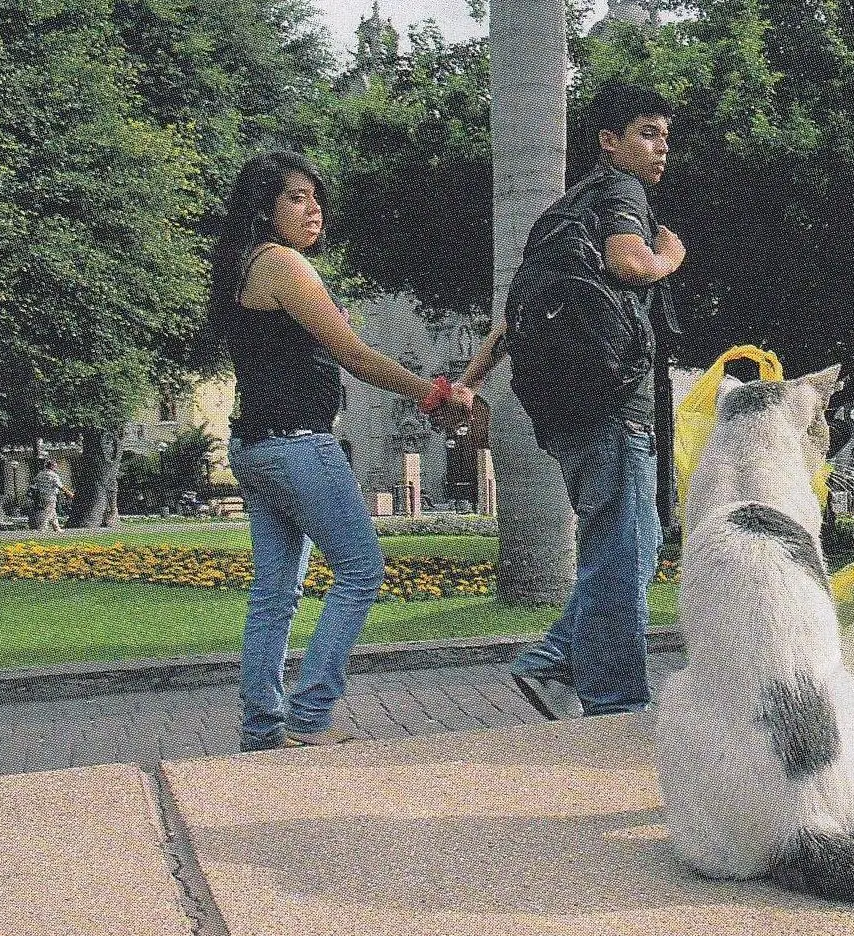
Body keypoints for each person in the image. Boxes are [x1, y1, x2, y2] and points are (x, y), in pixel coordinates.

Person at [208, 151, 468, 752]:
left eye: (316, 196)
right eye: (296, 197)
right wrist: (430, 390)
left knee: (274, 591)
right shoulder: (283, 264)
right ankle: (309, 714)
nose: (313, 208)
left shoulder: (244, 267)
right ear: (264, 209)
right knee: (361, 569)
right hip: (299, 445)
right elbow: (351, 352)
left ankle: (262, 728)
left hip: (254, 448)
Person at [457, 84, 684, 719]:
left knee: (630, 546)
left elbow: (512, 322)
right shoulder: (620, 194)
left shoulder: (559, 216)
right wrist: (670, 255)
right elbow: (632, 264)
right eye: (646, 134)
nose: (661, 147)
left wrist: (468, 380)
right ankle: (616, 706)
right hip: (615, 403)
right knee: (623, 548)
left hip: (562, 409)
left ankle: (552, 661)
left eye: (665, 136)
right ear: (609, 143)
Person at [27, 459, 72, 532]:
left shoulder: (40, 474)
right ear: (52, 466)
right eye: (55, 466)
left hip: (41, 496)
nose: (56, 468)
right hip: (50, 496)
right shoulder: (53, 475)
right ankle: (42, 528)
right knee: (47, 512)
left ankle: (56, 528)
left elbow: (34, 483)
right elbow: (59, 486)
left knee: (52, 511)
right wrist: (69, 493)